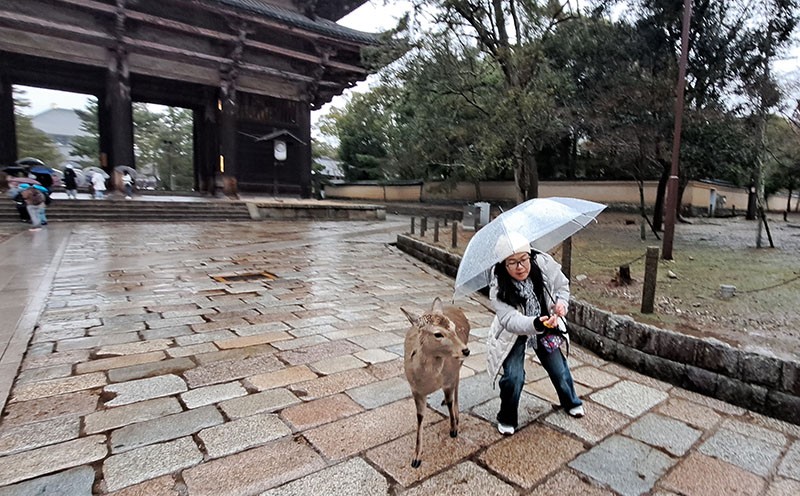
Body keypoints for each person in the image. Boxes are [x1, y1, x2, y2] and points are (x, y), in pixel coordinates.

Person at [487, 232, 584, 436]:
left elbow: (562, 287)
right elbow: (509, 319)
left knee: (558, 368)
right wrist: (535, 323)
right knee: (513, 376)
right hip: (514, 331)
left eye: (523, 260)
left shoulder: (544, 263)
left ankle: (571, 401)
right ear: (503, 265)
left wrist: (561, 304)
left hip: (545, 323)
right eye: (512, 262)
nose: (519, 267)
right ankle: (506, 417)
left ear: (530, 256)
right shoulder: (497, 284)